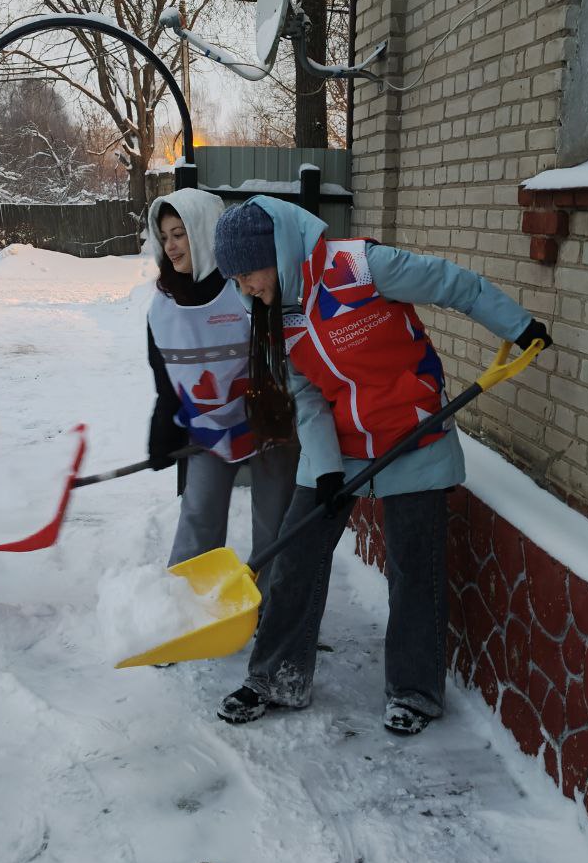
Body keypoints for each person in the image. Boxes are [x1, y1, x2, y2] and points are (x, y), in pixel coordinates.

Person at [209, 197, 552, 735]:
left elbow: (451, 283)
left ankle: (415, 692)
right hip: (340, 447)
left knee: (414, 567)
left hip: (411, 432)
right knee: (296, 556)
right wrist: (323, 469)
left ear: (275, 251)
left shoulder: (361, 267)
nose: (246, 288)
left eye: (248, 273)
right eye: (237, 279)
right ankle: (275, 678)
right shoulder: (280, 309)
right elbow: (306, 389)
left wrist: (519, 324)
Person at [144, 189, 298, 587]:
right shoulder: (163, 304)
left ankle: (269, 610)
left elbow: (287, 354)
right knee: (199, 515)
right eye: (165, 237)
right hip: (210, 428)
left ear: (204, 232)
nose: (172, 246)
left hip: (270, 421)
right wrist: (165, 421)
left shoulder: (244, 287)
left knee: (273, 522)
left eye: (180, 233)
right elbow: (165, 375)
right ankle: (182, 609)